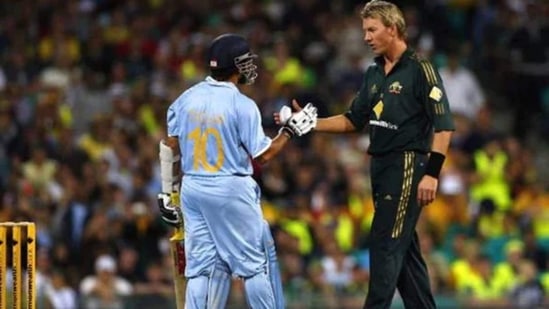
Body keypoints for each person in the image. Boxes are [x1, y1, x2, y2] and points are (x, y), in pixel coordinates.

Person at [276, 1, 454, 308]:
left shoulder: (420, 69)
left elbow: (444, 126)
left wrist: (432, 174)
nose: (366, 37)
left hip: (408, 164)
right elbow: (352, 120)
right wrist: (310, 123)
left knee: (384, 244)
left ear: (393, 29)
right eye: (364, 31)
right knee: (404, 251)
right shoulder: (373, 73)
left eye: (372, 30)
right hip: (381, 166)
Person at [156, 33, 316, 308]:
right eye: (246, 61)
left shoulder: (185, 98)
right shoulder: (242, 104)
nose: (250, 67)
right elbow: (263, 155)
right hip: (230, 187)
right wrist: (289, 131)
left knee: (200, 268)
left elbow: (169, 146)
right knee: (254, 266)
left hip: (192, 187)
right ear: (236, 65)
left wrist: (167, 192)